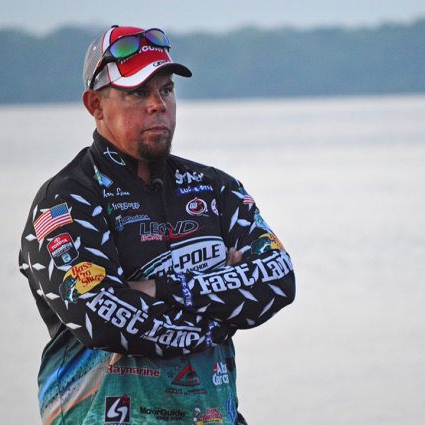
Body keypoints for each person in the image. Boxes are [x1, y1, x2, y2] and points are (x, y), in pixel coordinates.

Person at [18, 25, 295, 425]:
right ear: (95, 105)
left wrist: (159, 288)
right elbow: (102, 319)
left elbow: (279, 279)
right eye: (137, 93)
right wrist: (219, 310)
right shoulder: (66, 199)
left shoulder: (216, 188)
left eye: (166, 90)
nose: (157, 105)